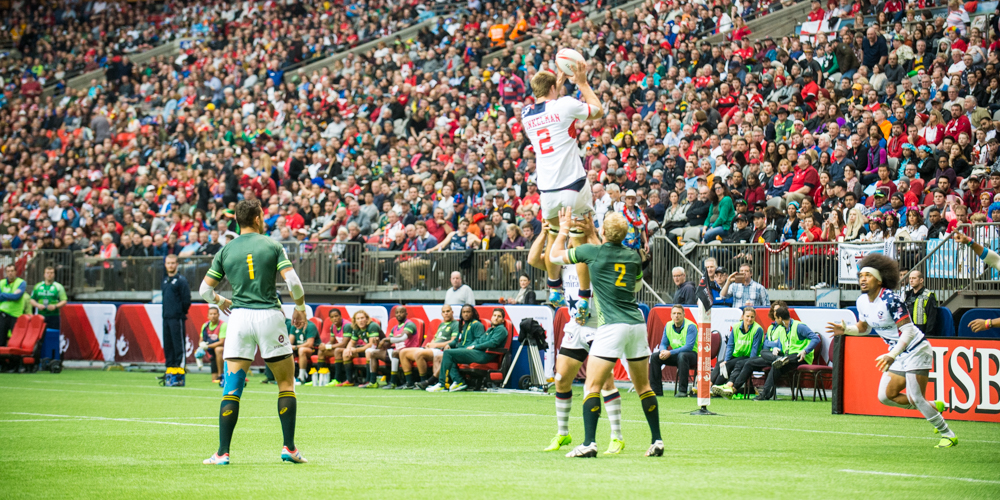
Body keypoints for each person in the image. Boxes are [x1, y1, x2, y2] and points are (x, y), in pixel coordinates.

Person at [199, 199, 309, 465]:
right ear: (259, 218)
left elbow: (203, 291)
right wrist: (301, 308)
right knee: (286, 383)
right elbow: (292, 281)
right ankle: (289, 449)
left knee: (232, 388)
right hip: (270, 316)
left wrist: (221, 301)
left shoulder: (225, 250)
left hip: (239, 319)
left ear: (237, 220)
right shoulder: (272, 245)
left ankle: (222, 453)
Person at [549, 208, 663, 458]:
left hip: (611, 325)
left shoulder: (593, 252)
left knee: (592, 385)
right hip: (636, 323)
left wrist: (564, 229)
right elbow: (635, 285)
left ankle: (589, 443)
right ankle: (656, 440)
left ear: (602, 231)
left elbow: (555, 256)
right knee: (643, 385)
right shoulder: (634, 256)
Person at [826, 253, 957, 448]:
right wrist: (846, 330)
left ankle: (948, 434)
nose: (863, 279)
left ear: (879, 280)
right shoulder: (862, 301)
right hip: (897, 353)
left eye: (868, 275)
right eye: (861, 275)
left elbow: (909, 331)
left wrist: (891, 354)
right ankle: (933, 406)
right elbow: (864, 328)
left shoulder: (891, 299)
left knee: (915, 397)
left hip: (915, 349)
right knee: (885, 396)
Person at [535, 214, 626, 455]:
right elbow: (538, 259)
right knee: (561, 378)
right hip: (577, 326)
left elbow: (607, 257)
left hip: (601, 325)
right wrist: (551, 231)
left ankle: (617, 436)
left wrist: (592, 232)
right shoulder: (566, 257)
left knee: (605, 382)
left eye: (578, 227)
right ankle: (563, 434)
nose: (575, 229)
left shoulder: (597, 253)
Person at [523, 61, 602, 318]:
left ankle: (554, 288)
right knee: (578, 241)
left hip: (546, 191)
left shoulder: (526, 114)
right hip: (572, 185)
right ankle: (583, 298)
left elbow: (546, 101)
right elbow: (598, 110)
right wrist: (582, 83)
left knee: (553, 239)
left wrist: (554, 85)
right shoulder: (566, 103)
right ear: (555, 88)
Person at [427, 306, 508, 393]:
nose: (496, 318)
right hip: (478, 352)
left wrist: (474, 347)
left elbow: (493, 343)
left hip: (484, 355)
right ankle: (458, 381)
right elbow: (479, 340)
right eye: (494, 315)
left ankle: (442, 384)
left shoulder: (501, 330)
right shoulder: (490, 329)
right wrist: (471, 346)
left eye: (499, 316)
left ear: (503, 320)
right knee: (451, 356)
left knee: (448, 353)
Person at [755, 305, 820, 401]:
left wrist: (805, 351)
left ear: (780, 318)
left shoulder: (799, 326)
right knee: (765, 354)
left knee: (787, 359)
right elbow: (782, 345)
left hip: (800, 358)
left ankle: (781, 360)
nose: (775, 321)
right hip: (787, 357)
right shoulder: (782, 329)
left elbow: (816, 338)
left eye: (776, 318)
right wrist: (776, 350)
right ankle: (765, 394)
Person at [710, 307, 764, 395]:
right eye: (747, 316)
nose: (749, 319)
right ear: (742, 316)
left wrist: (750, 362)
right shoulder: (735, 327)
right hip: (737, 355)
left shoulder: (758, 329)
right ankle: (710, 385)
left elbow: (754, 350)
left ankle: (715, 388)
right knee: (720, 363)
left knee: (728, 365)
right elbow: (730, 345)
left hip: (749, 357)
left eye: (752, 317)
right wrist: (726, 360)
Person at [648, 304, 698, 397]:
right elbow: (663, 344)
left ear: (684, 315)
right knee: (655, 356)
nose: (676, 316)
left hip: (692, 355)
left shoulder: (691, 326)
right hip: (677, 355)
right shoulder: (668, 325)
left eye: (679, 313)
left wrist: (669, 352)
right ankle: (656, 391)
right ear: (671, 315)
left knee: (683, 355)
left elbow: (688, 347)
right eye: (674, 313)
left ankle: (682, 391)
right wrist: (663, 351)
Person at [411, 305, 461, 390]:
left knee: (419, 354)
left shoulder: (456, 324)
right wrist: (430, 344)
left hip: (441, 349)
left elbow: (453, 341)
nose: (446, 313)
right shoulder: (441, 324)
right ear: (441, 314)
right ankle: (408, 382)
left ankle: (425, 381)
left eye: (448, 311)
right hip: (434, 348)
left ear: (452, 312)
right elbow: (435, 338)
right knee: (403, 352)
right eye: (444, 312)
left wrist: (435, 345)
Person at [370, 307, 418, 389]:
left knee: (395, 352)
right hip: (396, 351)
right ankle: (372, 382)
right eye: (397, 312)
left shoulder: (410, 324)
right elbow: (388, 344)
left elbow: (402, 338)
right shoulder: (395, 328)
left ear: (406, 314)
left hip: (409, 350)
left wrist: (386, 339)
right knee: (373, 353)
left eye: (401, 312)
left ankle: (393, 382)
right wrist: (379, 342)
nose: (399, 314)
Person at [161, 255, 191, 376]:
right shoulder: (164, 280)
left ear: (177, 264)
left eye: (173, 263)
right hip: (166, 317)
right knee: (168, 344)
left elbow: (186, 300)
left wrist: (179, 312)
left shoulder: (181, 280)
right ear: (165, 265)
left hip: (177, 317)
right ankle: (170, 368)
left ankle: (179, 368)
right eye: (168, 263)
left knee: (178, 344)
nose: (170, 265)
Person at [339, 310, 384, 387]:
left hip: (381, 350)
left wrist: (355, 350)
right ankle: (350, 380)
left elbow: (371, 345)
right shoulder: (356, 328)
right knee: (345, 353)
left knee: (368, 352)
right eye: (358, 319)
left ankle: (368, 380)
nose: (360, 321)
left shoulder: (372, 326)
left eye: (362, 318)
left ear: (367, 319)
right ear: (355, 321)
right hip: (368, 349)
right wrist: (348, 349)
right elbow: (352, 342)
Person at [315, 308, 350, 386]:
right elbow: (331, 341)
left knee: (337, 350)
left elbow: (344, 344)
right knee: (321, 351)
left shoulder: (347, 325)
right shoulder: (333, 326)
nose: (334, 318)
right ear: (330, 319)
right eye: (332, 317)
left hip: (349, 349)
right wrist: (324, 345)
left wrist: (328, 346)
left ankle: (337, 379)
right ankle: (318, 378)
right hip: (340, 349)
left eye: (336, 316)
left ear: (340, 316)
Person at [29, 266, 67, 332]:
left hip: (54, 315)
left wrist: (55, 306)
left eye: (51, 273)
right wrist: (38, 305)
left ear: (54, 274)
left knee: (53, 334)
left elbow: (64, 300)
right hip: (40, 315)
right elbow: (32, 300)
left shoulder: (58, 286)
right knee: (39, 334)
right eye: (47, 273)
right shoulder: (38, 286)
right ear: (44, 274)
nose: (49, 275)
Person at [902, 270, 938, 337]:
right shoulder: (908, 295)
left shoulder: (928, 296)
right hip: (908, 332)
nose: (911, 280)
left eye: (914, 278)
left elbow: (932, 318)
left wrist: (928, 335)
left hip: (922, 332)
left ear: (921, 280)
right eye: (910, 278)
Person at [198, 306, 227, 384]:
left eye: (215, 314)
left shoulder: (223, 325)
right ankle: (216, 375)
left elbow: (221, 342)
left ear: (218, 315)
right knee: (213, 380)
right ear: (208, 316)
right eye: (211, 314)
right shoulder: (205, 326)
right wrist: (201, 346)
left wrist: (207, 346)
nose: (213, 316)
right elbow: (201, 340)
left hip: (223, 351)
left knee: (218, 349)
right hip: (211, 352)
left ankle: (221, 375)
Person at [0, 265, 27, 347]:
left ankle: (14, 359)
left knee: (16, 341)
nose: (10, 273)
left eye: (12, 271)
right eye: (8, 271)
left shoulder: (21, 283)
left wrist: (3, 295)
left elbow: (16, 297)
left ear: (16, 272)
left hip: (16, 315)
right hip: (3, 314)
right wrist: (10, 296)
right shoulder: (1, 283)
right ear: (6, 273)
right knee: (1, 339)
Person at [289, 313, 318, 385]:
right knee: (286, 351)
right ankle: (288, 376)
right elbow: (289, 342)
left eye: (298, 320)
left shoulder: (310, 326)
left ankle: (301, 377)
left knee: (302, 350)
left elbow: (309, 344)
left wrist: (295, 347)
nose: (295, 322)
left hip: (313, 350)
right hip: (298, 349)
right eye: (294, 319)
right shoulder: (293, 327)